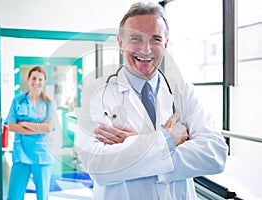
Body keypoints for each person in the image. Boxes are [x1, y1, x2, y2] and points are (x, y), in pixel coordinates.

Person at [76, 2, 228, 200]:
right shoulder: (97, 92)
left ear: (165, 44)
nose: (146, 49)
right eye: (136, 39)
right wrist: (168, 139)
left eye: (155, 39)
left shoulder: (183, 91)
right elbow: (98, 165)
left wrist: (135, 146)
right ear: (121, 43)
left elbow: (215, 155)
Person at [5, 66, 54, 200]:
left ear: (44, 81)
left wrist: (25, 124)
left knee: (42, 196)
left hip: (42, 156)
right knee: (14, 196)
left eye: (40, 79)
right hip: (21, 155)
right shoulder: (18, 100)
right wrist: (39, 127)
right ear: (28, 79)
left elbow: (48, 128)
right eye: (33, 78)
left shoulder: (49, 103)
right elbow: (11, 126)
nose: (36, 82)